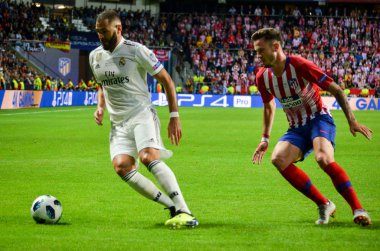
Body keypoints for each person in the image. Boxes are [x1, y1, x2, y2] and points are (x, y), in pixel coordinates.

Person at [251, 28, 372, 226]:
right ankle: (324, 204)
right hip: (296, 128)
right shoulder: (262, 77)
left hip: (319, 119)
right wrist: (265, 138)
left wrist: (352, 120)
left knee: (323, 158)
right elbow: (268, 105)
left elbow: (336, 89)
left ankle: (358, 209)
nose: (258, 55)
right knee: (278, 159)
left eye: (260, 50)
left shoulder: (299, 65)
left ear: (275, 46)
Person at [89, 10, 198, 229]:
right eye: (98, 32)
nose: (100, 36)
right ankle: (171, 206)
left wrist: (174, 116)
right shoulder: (95, 56)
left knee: (148, 157)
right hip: (118, 123)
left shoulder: (136, 51)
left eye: (104, 31)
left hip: (141, 114)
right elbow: (102, 85)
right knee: (122, 167)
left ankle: (185, 210)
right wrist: (100, 107)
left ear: (118, 29)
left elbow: (166, 79)